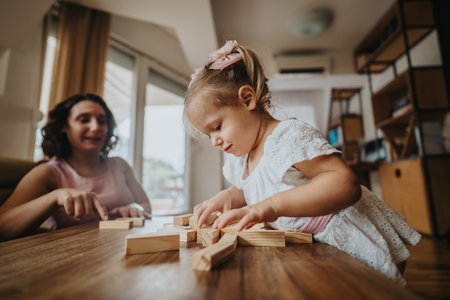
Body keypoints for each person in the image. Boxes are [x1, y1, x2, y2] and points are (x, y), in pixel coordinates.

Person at [185, 40, 420, 285]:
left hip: (340, 239)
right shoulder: (242, 158)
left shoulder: (287, 137)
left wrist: (273, 207)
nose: (215, 141)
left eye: (217, 127)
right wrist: (226, 197)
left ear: (247, 99)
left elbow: (344, 182)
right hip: (306, 248)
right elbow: (250, 188)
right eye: (208, 135)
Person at [0, 94, 151, 241]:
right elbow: (2, 227)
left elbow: (146, 205)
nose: (95, 127)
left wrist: (134, 207)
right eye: (84, 120)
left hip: (123, 250)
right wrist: (55, 196)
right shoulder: (47, 173)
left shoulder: (120, 165)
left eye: (102, 121)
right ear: (64, 127)